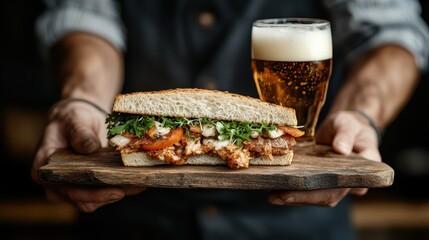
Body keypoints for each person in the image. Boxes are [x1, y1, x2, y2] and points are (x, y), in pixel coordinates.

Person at [32, 0, 429, 239]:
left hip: (297, 230)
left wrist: (361, 112)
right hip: (128, 224)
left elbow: (390, 33)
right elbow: (83, 17)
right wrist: (84, 99)